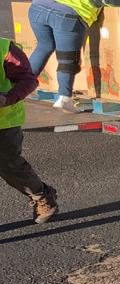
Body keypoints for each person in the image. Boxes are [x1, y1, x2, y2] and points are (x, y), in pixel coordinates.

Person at [2, 34, 60, 223]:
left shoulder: (4, 49)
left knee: (9, 165)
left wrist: (7, 98)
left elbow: (28, 80)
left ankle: (41, 195)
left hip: (3, 122)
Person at [27, 0, 101, 113]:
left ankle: (22, 85)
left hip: (38, 8)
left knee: (43, 47)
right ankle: (64, 98)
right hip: (68, 14)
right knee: (67, 59)